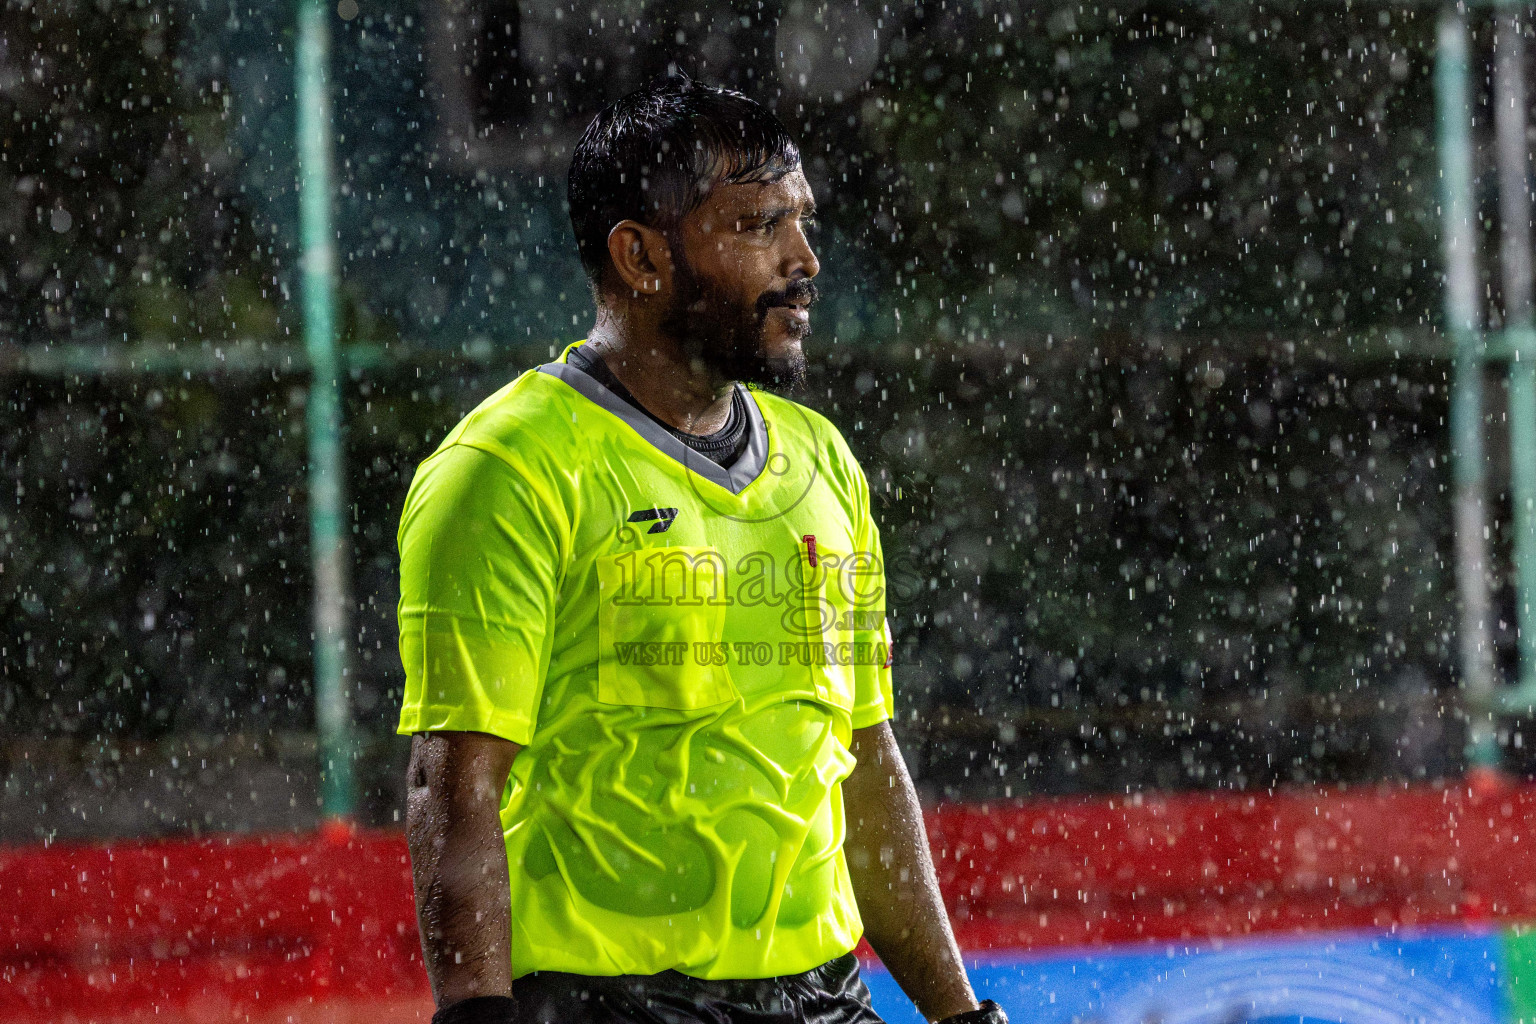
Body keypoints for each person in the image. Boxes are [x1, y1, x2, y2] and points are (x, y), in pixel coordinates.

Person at [396, 72, 1006, 1024]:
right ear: (640, 257)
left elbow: (864, 760)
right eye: (759, 226)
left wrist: (963, 1016)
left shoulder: (824, 463)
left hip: (823, 997)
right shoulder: (506, 469)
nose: (804, 258)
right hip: (606, 1003)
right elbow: (456, 780)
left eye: (802, 221)